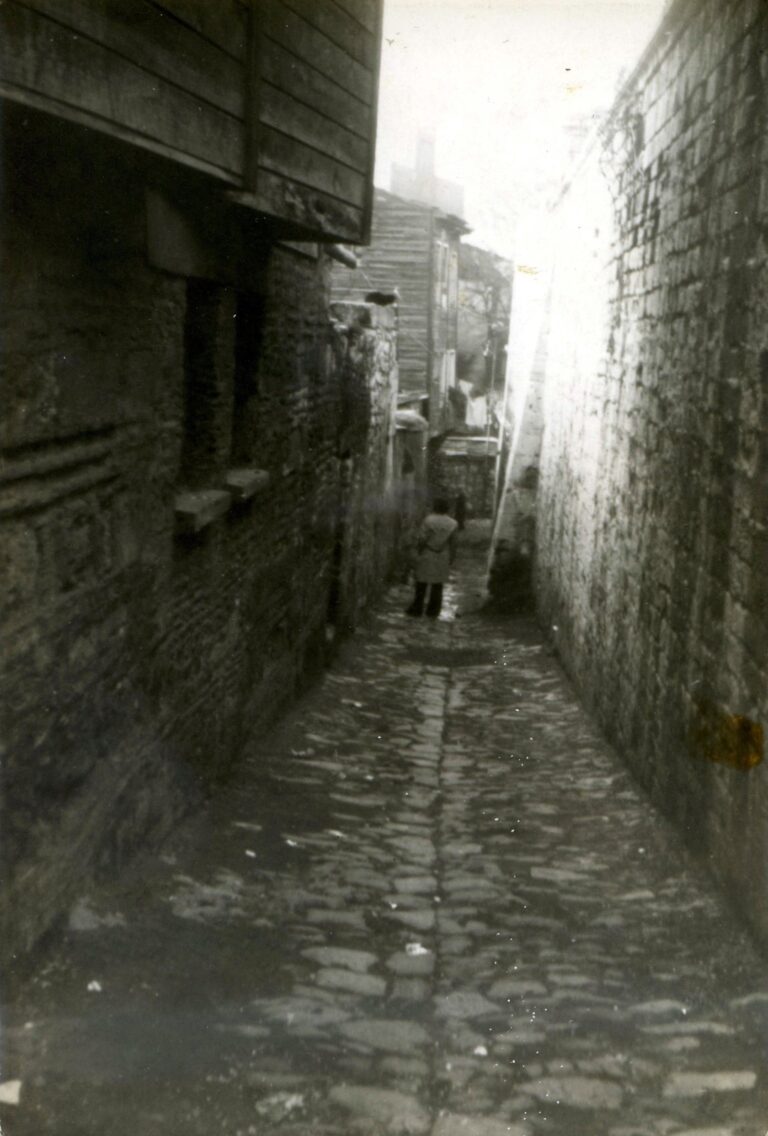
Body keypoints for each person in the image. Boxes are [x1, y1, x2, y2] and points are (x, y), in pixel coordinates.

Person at [407, 498, 458, 618]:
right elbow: (454, 543)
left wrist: (418, 551)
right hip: (443, 554)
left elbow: (422, 538)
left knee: (421, 582)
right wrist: (452, 557)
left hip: (428, 552)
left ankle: (417, 608)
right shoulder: (453, 523)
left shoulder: (429, 520)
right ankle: (433, 610)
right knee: (438, 584)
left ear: (435, 507)